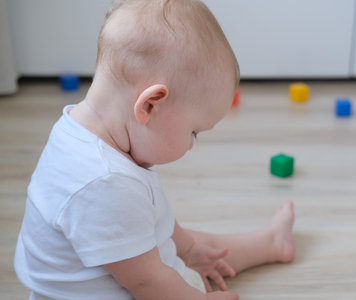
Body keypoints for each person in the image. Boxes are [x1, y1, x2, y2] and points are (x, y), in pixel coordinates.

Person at [14, 0, 296, 299]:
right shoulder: (104, 183)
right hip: (127, 289)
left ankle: (271, 242)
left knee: (197, 247)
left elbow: (150, 215)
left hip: (116, 274)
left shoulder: (81, 133)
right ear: (150, 105)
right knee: (174, 262)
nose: (191, 144)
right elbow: (148, 284)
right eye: (194, 132)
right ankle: (268, 243)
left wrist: (187, 250)